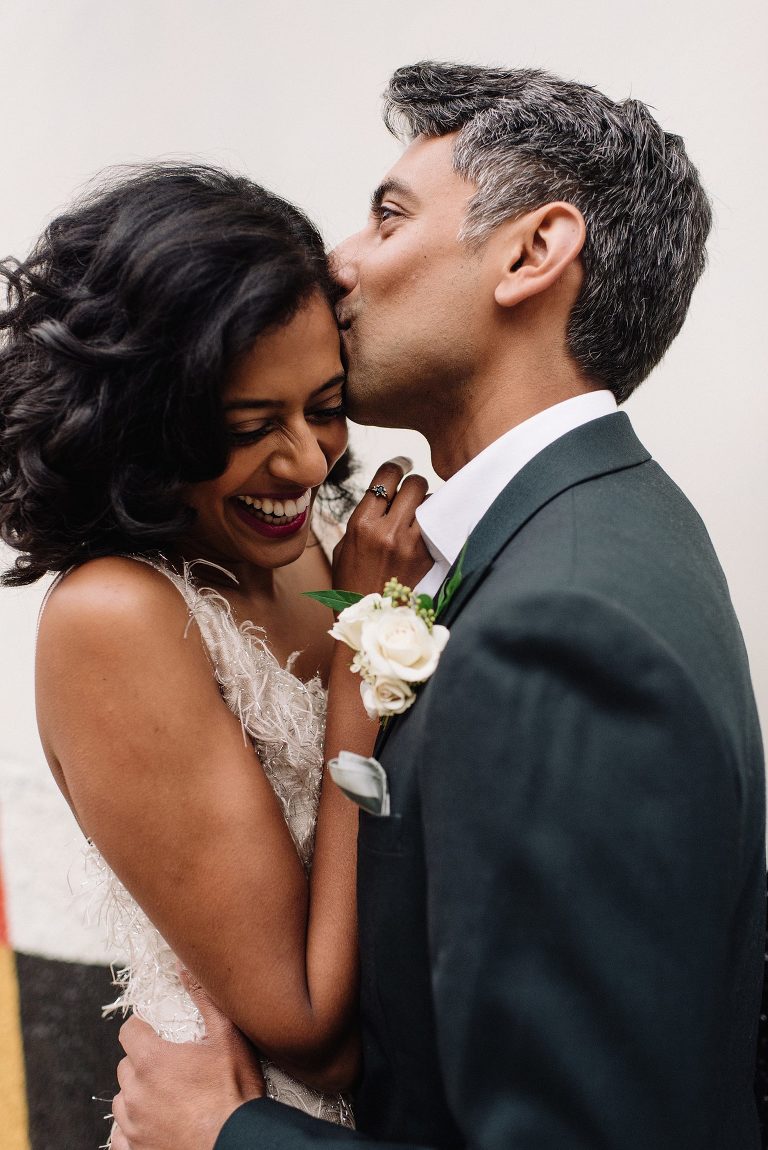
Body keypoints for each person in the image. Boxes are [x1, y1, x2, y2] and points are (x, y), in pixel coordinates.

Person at [112, 62, 766, 1150]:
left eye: (389, 215)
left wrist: (229, 1134)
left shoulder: (560, 629)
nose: (337, 259)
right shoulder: (617, 523)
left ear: (533, 252)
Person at [0, 165, 432, 1133]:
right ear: (140, 425)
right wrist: (367, 654)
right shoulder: (115, 617)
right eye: (250, 427)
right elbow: (312, 1030)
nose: (308, 461)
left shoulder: (312, 539)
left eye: (325, 406)